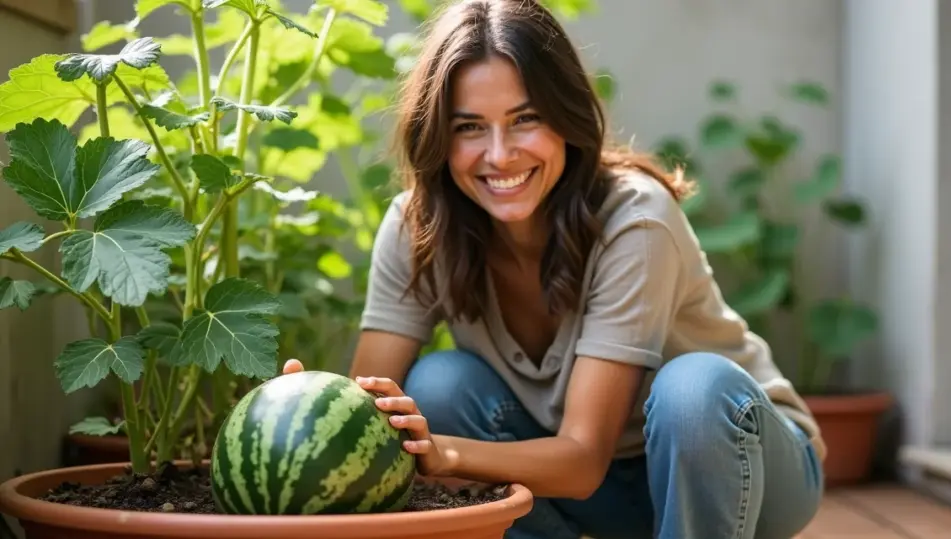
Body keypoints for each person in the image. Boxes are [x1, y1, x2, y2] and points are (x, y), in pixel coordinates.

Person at [282, 0, 826, 537]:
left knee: (693, 389)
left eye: (525, 119)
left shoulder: (636, 221)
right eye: (470, 127)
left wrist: (442, 453)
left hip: (739, 467)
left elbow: (582, 459)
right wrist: (308, 413)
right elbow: (365, 408)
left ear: (566, 117)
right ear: (439, 138)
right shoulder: (416, 228)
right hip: (605, 494)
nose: (499, 155)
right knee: (440, 386)